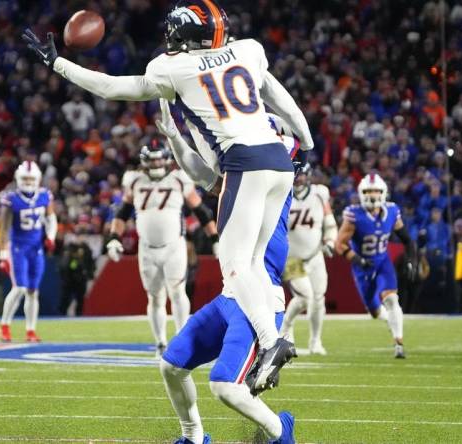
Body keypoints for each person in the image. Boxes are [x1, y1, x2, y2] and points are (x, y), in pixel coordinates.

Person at [22, 0, 313, 392]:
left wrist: (59, 64)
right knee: (255, 261)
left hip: (243, 162)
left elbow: (112, 87)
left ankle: (271, 340)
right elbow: (282, 100)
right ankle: (269, 338)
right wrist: (307, 140)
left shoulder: (171, 67)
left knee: (234, 263)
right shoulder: (249, 50)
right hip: (279, 161)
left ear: (185, 37)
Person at [155, 105, 296, 443]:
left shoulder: (270, 180)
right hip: (230, 296)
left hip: (259, 300)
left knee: (224, 386)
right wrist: (176, 137)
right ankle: (194, 437)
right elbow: (202, 174)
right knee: (171, 366)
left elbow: (212, 169)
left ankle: (281, 432)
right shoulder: (243, 177)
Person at [105, 139, 219, 357]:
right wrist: (114, 237)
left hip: (173, 246)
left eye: (159, 160)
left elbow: (201, 211)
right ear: (144, 162)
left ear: (166, 159)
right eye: (152, 160)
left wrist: (214, 238)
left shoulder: (179, 179)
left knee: (177, 292)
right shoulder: (135, 181)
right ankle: (160, 343)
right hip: (146, 248)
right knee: (155, 297)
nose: (156, 164)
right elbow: (123, 212)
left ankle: (182, 339)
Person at [335, 173, 418, 358]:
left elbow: (407, 239)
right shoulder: (354, 215)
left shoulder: (392, 211)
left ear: (383, 193)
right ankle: (391, 320)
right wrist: (358, 260)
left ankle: (399, 343)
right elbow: (339, 244)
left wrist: (412, 259)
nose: (372, 195)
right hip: (362, 267)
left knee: (391, 299)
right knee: (374, 311)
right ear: (361, 193)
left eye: (376, 191)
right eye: (368, 191)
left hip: (382, 261)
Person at [0, 161, 57, 342]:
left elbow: (51, 218)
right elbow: (4, 229)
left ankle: (30, 330)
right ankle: (5, 326)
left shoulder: (44, 196)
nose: (28, 182)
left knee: (33, 290)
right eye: (25, 178)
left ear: (38, 178)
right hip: (18, 248)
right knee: (19, 288)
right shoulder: (12, 199)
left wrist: (51, 236)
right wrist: (3, 255)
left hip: (36, 248)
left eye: (31, 178)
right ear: (18, 178)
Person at [279, 168, 336, 355]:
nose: (298, 179)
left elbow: (329, 222)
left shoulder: (319, 194)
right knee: (305, 298)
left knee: (319, 299)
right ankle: (286, 328)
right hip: (292, 259)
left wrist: (330, 240)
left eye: (301, 174)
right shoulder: (281, 194)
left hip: (315, 255)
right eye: (295, 175)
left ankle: (315, 341)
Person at [59, 236, 95, 316]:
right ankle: (61, 315)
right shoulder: (69, 248)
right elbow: (65, 264)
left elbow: (90, 263)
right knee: (65, 298)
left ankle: (79, 315)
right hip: (69, 278)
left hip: (81, 279)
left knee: (80, 299)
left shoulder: (87, 249)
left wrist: (88, 274)